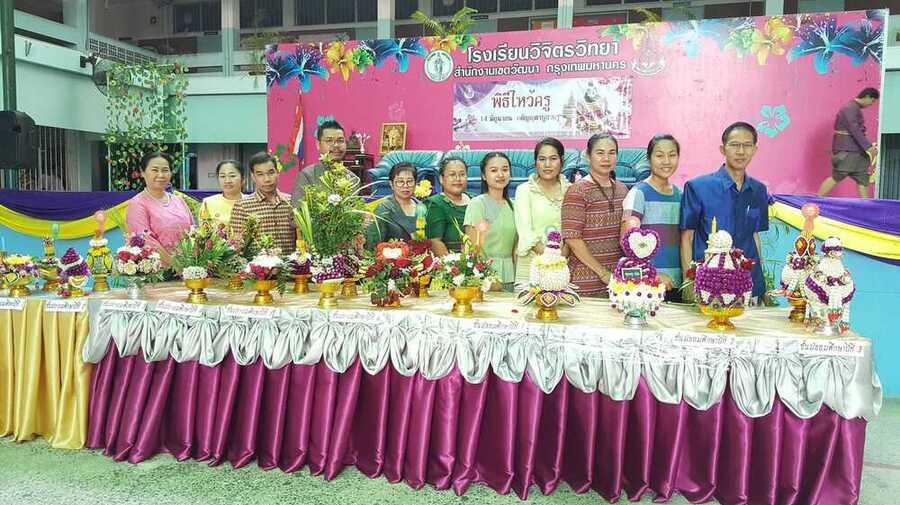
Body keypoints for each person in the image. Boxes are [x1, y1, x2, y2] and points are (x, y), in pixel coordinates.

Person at [680, 122, 769, 300]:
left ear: (754, 150)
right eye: (734, 145)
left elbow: (754, 237)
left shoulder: (758, 190)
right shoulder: (698, 187)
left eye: (747, 145)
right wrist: (688, 283)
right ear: (723, 149)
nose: (741, 151)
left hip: (749, 285)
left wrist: (762, 285)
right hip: (709, 286)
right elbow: (686, 238)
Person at [562, 134, 627, 296]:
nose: (606, 158)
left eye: (611, 153)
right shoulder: (577, 191)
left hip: (617, 282)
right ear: (588, 155)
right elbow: (572, 238)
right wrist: (603, 273)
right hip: (584, 283)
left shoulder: (623, 189)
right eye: (600, 153)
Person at [621, 134, 683, 295]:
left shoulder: (680, 194)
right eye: (659, 155)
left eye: (672, 155)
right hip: (648, 284)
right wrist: (652, 274)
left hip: (677, 282)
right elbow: (627, 241)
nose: (666, 161)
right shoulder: (638, 193)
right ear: (649, 159)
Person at [513, 137, 571, 285]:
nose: (547, 164)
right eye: (542, 159)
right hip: (531, 264)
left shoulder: (571, 190)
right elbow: (525, 231)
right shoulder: (524, 190)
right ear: (535, 162)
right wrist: (550, 256)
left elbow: (574, 228)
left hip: (562, 265)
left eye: (553, 159)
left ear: (562, 160)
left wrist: (561, 256)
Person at [125, 151, 193, 262]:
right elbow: (144, 241)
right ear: (142, 172)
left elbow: (193, 231)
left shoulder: (178, 200)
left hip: (189, 266)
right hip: (159, 269)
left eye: (165, 170)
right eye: (155, 170)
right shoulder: (137, 203)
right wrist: (175, 265)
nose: (161, 175)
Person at [464, 152, 517, 291]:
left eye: (505, 169)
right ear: (483, 175)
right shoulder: (477, 204)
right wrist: (488, 277)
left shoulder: (514, 206)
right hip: (484, 280)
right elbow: (472, 249)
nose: (500, 174)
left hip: (511, 277)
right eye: (494, 170)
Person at [817, 88, 880, 198]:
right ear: (867, 96)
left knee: (862, 179)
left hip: (857, 152)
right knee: (837, 176)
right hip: (847, 151)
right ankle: (815, 200)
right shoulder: (849, 108)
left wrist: (867, 147)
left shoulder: (854, 108)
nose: (872, 104)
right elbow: (854, 129)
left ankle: (866, 205)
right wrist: (868, 147)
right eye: (873, 101)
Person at [230, 151, 296, 254]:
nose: (267, 179)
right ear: (253, 177)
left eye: (271, 173)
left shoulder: (291, 202)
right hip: (257, 264)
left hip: (292, 263)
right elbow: (235, 246)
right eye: (260, 174)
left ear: (277, 173)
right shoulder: (242, 206)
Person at [291, 119, 360, 204]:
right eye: (329, 141)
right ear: (318, 144)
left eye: (340, 140)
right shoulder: (307, 176)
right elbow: (297, 209)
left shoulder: (353, 180)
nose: (336, 145)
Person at [365, 162, 419, 249]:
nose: (405, 186)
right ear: (391, 184)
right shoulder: (383, 209)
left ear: (415, 183)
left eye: (409, 181)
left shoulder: (423, 207)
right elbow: (372, 245)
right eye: (400, 182)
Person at [425, 156, 471, 255]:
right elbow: (434, 242)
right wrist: (454, 263)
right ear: (441, 179)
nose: (458, 179)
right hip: (452, 261)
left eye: (462, 174)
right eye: (452, 175)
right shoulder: (435, 204)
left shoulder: (475, 199)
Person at [200, 160, 244, 227]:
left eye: (232, 176)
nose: (227, 181)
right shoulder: (208, 203)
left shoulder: (252, 202)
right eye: (223, 176)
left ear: (242, 179)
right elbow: (203, 230)